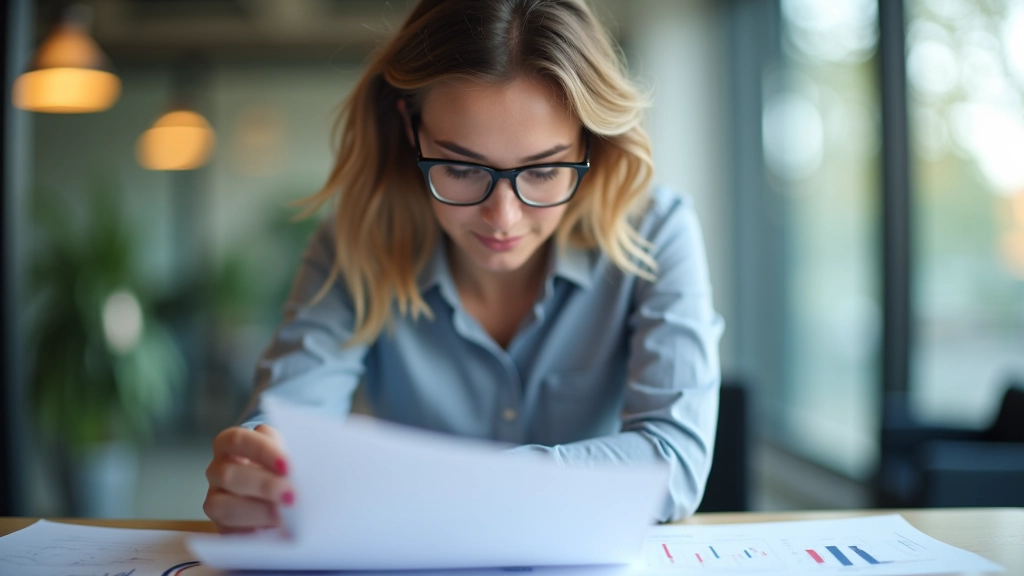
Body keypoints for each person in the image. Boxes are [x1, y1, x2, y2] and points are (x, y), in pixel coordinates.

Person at [203, 0, 724, 532]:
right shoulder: (353, 243)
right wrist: (260, 469)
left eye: (544, 171)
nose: (503, 217)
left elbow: (674, 461)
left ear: (592, 140)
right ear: (410, 127)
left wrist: (453, 485)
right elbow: (291, 427)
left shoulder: (657, 231)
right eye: (458, 167)